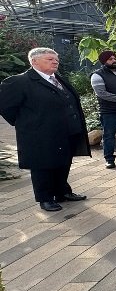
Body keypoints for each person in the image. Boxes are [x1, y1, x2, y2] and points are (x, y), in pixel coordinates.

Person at [0, 47, 89, 212]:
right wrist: (28, 123)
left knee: (63, 162)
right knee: (42, 166)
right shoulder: (19, 82)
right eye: (50, 59)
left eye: (56, 58)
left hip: (66, 132)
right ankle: (45, 198)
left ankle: (62, 192)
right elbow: (5, 107)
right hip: (39, 134)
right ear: (34, 61)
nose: (55, 61)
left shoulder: (58, 79)